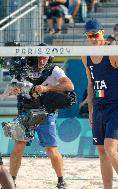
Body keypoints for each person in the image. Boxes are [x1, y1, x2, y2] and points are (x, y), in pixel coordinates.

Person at [8, 50, 74, 189]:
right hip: (26, 112)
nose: (42, 60)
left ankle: (61, 180)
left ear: (49, 57)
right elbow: (12, 88)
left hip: (46, 112)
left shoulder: (54, 69)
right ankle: (11, 181)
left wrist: (45, 88)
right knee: (19, 146)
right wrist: (16, 89)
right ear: (35, 56)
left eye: (45, 57)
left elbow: (69, 86)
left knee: (51, 149)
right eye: (40, 57)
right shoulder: (24, 68)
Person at [82, 18, 118, 189]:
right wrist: (90, 110)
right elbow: (90, 84)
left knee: (110, 149)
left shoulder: (115, 53)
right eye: (89, 36)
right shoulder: (85, 55)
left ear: (102, 33)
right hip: (98, 107)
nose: (93, 39)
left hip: (115, 107)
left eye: (95, 34)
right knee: (102, 152)